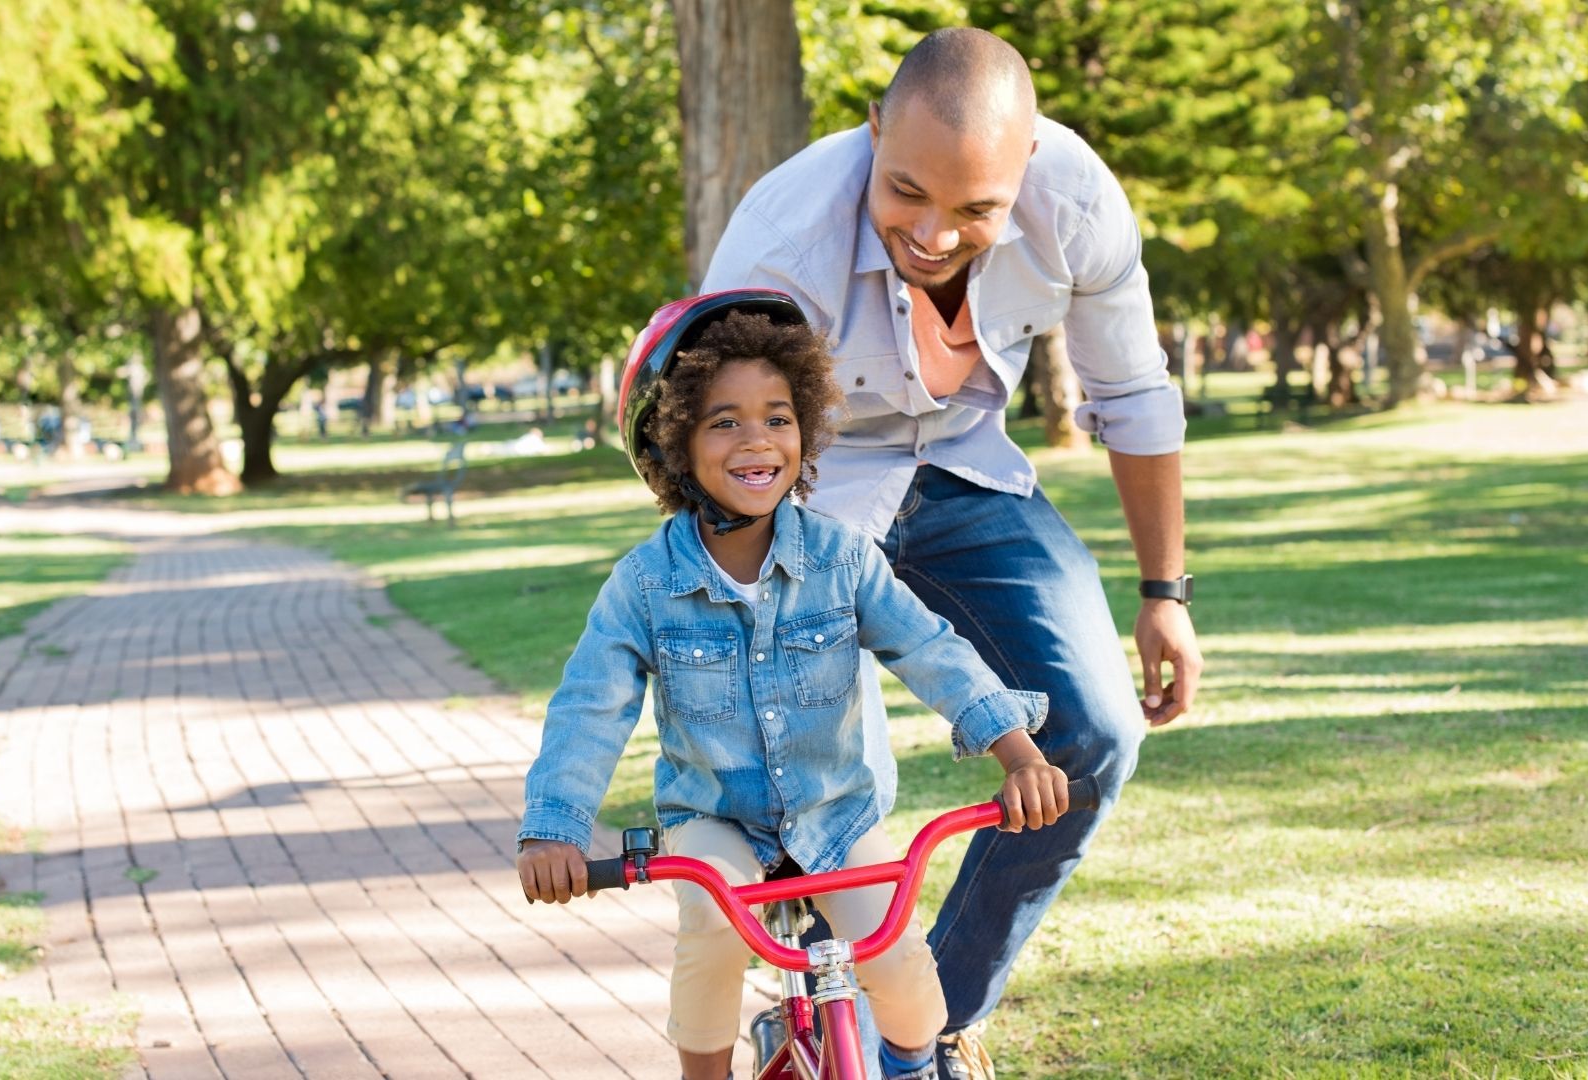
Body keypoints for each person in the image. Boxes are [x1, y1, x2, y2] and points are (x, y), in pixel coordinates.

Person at [699, 27, 1205, 1079]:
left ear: (1024, 169)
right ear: (874, 129)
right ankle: (823, 1000)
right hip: (809, 486)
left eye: (975, 210)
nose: (932, 234)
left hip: (968, 466)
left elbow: (1132, 394)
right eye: (906, 193)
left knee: (1096, 732)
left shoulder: (1077, 204)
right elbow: (721, 449)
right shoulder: (777, 246)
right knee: (824, 782)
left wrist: (1164, 592)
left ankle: (919, 1031)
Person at [515, 292, 1069, 1080]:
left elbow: (929, 649)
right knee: (711, 923)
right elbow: (589, 709)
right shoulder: (644, 585)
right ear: (672, 444)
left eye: (778, 417)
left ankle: (912, 1065)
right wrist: (554, 830)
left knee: (903, 968)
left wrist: (1018, 754)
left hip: (834, 813)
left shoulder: (842, 559)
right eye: (724, 421)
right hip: (717, 825)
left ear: (805, 429)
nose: (757, 441)